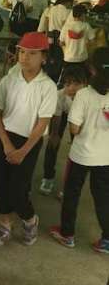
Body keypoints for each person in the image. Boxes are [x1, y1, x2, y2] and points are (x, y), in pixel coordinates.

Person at [0, 32, 57, 247]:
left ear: (44, 57)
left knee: (18, 189)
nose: (25, 57)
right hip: (6, 137)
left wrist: (23, 151)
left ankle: (29, 219)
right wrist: (6, 143)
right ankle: (5, 225)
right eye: (22, 52)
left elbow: (42, 123)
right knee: (1, 185)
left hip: (30, 141)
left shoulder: (48, 86)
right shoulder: (9, 80)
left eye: (32, 53)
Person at [50, 47, 109, 252]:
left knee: (71, 194)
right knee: (103, 197)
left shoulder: (83, 95)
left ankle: (67, 234)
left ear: (91, 69)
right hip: (105, 157)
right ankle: (107, 239)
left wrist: (85, 127)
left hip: (81, 155)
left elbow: (74, 128)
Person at [39, 66, 88, 196]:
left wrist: (77, 139)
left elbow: (83, 124)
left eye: (76, 84)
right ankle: (48, 177)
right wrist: (54, 134)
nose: (71, 88)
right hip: (64, 112)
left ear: (84, 83)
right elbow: (57, 117)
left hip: (81, 118)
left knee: (78, 150)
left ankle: (70, 186)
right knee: (52, 144)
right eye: (67, 84)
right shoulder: (60, 95)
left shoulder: (88, 96)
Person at [59, 4, 95, 70]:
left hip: (68, 58)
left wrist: (67, 48)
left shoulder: (66, 26)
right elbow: (92, 40)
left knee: (68, 75)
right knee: (81, 75)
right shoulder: (86, 26)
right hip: (82, 58)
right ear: (82, 15)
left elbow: (61, 43)